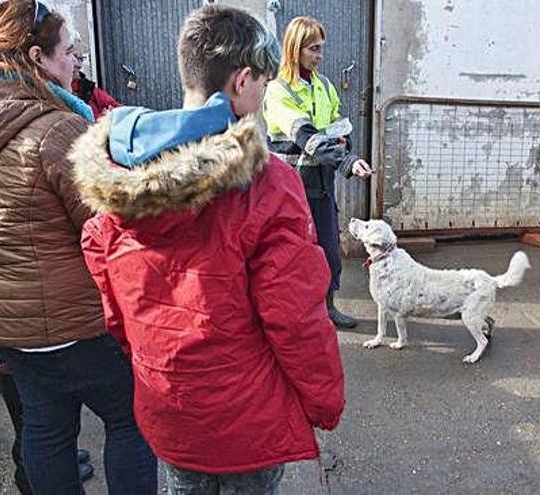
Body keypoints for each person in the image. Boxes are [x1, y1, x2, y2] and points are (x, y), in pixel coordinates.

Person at [70, 5, 345, 494]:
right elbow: (296, 316)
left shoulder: (118, 180)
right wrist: (323, 399)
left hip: (169, 405)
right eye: (262, 81)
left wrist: (147, 356)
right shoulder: (268, 184)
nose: (264, 91)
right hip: (247, 412)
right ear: (242, 82)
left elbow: (114, 298)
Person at [0, 1, 156, 493]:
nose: (76, 62)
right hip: (72, 323)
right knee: (129, 418)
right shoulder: (58, 130)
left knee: (46, 428)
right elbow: (107, 229)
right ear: (38, 57)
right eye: (70, 53)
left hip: (2, 323)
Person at [264, 16, 372, 329]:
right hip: (291, 187)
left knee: (328, 251)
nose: (319, 55)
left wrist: (344, 143)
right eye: (314, 48)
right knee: (290, 255)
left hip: (322, 184)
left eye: (321, 48)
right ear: (295, 48)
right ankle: (290, 317)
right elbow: (306, 136)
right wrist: (347, 160)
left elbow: (340, 124)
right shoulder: (278, 90)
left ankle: (328, 308)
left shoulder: (323, 85)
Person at [71, 47, 119, 119]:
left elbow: (118, 108)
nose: (79, 65)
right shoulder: (53, 94)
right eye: (73, 56)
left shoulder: (88, 88)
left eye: (81, 59)